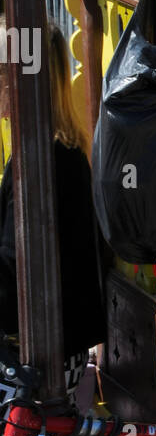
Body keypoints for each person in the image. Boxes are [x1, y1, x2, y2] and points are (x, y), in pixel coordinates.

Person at [0, 21, 107, 391]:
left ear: (16, 82)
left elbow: (17, 269)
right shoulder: (58, 148)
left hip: (42, 358)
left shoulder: (41, 162)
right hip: (57, 344)